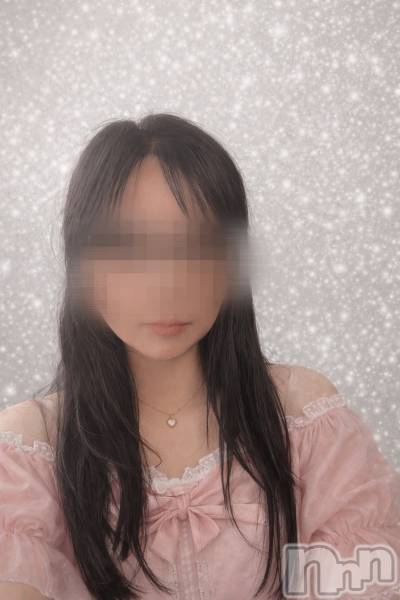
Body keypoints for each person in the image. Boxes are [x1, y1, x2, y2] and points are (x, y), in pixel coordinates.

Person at [0, 113, 399, 600]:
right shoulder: (30, 447)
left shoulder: (303, 417)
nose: (168, 284)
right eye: (131, 250)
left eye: (197, 246)